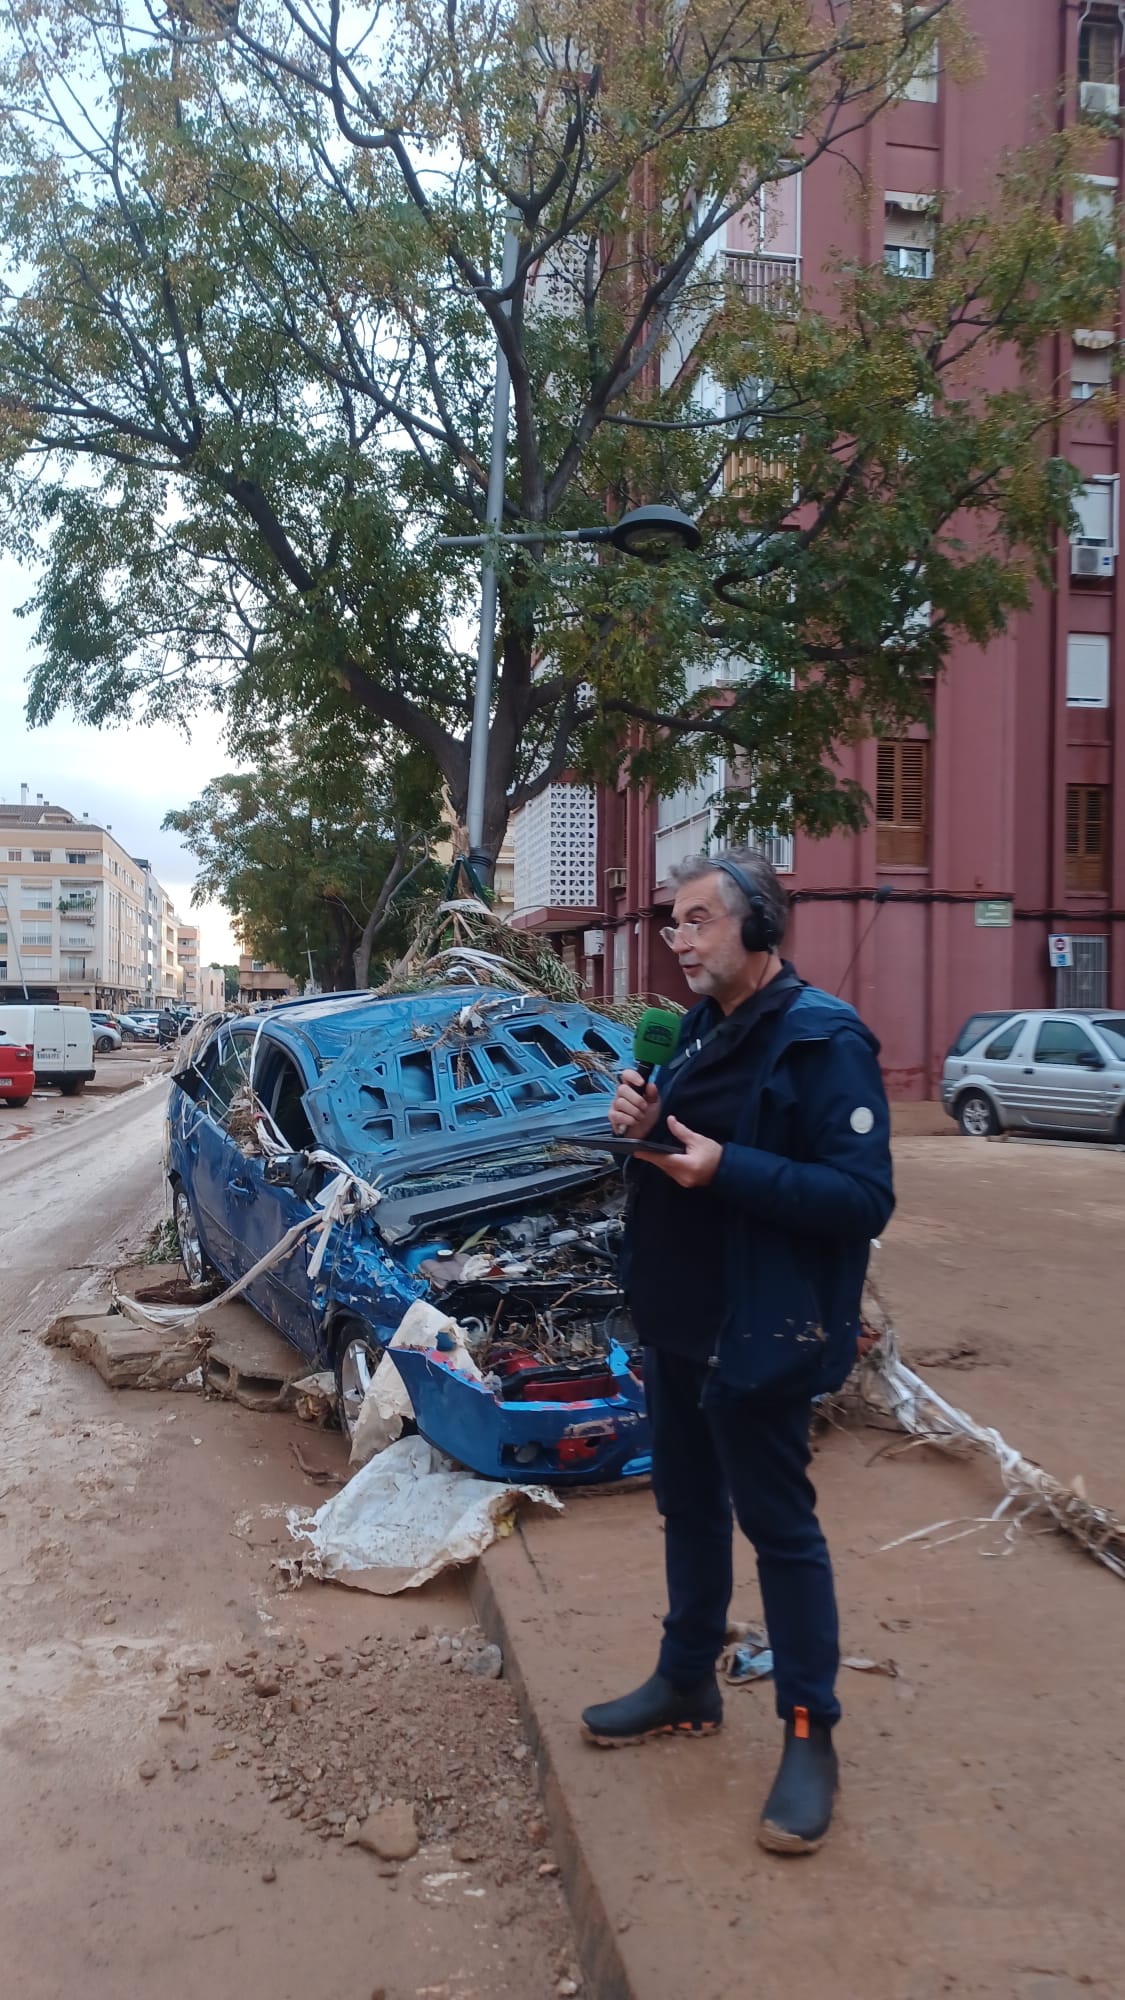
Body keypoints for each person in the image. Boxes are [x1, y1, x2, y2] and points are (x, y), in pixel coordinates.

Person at [581, 849, 894, 1855]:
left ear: (760, 925)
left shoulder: (821, 1040)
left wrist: (728, 1167)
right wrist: (642, 1126)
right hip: (677, 1320)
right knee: (686, 1507)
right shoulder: (701, 1032)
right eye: (674, 922)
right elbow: (680, 1148)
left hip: (759, 1330)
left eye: (701, 919)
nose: (680, 940)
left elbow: (861, 1197)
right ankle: (686, 1680)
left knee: (781, 1529)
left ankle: (810, 1729)